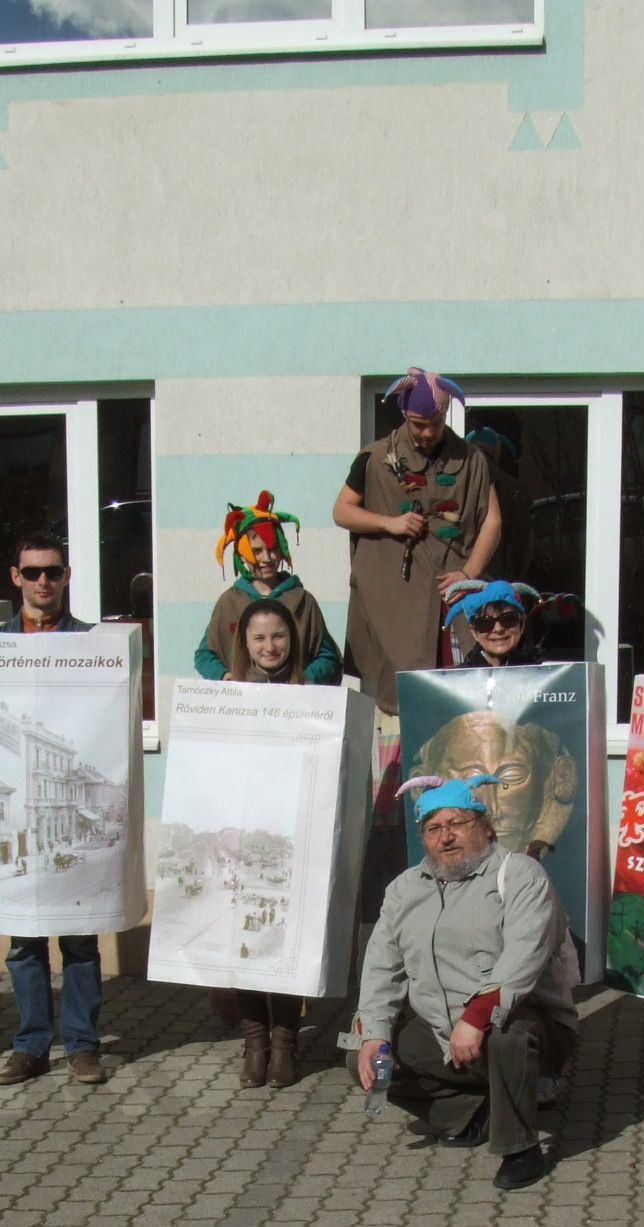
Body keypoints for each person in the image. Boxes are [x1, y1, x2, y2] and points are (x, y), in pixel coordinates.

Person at [356, 776, 580, 1191]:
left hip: (526, 1022)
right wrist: (374, 1033)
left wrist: (476, 1017)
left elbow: (523, 958)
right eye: (433, 828)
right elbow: (381, 967)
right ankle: (471, 1112)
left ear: (485, 826)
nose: (446, 837)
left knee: (508, 1035)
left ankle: (520, 1147)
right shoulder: (404, 889)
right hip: (444, 1030)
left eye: (457, 823)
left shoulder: (520, 874)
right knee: (362, 1053)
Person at [0, 532, 110, 1086]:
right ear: (15, 577)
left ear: (66, 576)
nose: (43, 581)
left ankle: (82, 1045)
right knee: (24, 944)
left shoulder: (92, 644)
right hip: (22, 799)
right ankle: (31, 1045)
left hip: (59, 791)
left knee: (80, 942)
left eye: (53, 571)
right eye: (32, 572)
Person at [334, 369, 504, 711]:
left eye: (435, 423)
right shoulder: (375, 458)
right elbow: (342, 511)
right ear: (404, 414)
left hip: (454, 597)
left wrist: (469, 573)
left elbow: (493, 521)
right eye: (418, 424)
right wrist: (390, 523)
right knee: (403, 696)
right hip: (398, 600)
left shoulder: (472, 459)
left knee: (464, 694)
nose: (427, 432)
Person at [221, 598, 311, 1089]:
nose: (269, 646)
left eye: (278, 635)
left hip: (293, 837)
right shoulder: (228, 695)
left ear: (292, 640)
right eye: (259, 637)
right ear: (245, 643)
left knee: (285, 942)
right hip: (243, 837)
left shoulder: (312, 696)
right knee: (247, 942)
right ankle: (255, 1043)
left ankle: (285, 1043)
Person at [195, 493, 339, 686]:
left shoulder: (304, 601)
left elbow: (328, 657)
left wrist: (305, 677)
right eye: (257, 551)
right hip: (244, 699)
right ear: (242, 555)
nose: (267, 558)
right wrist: (223, 676)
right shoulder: (229, 602)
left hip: (294, 698)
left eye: (273, 548)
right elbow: (205, 655)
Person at [442, 580, 568, 670]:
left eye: (508, 619)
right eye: (486, 623)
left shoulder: (547, 672)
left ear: (522, 623)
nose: (498, 629)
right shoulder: (458, 680)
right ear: (474, 631)